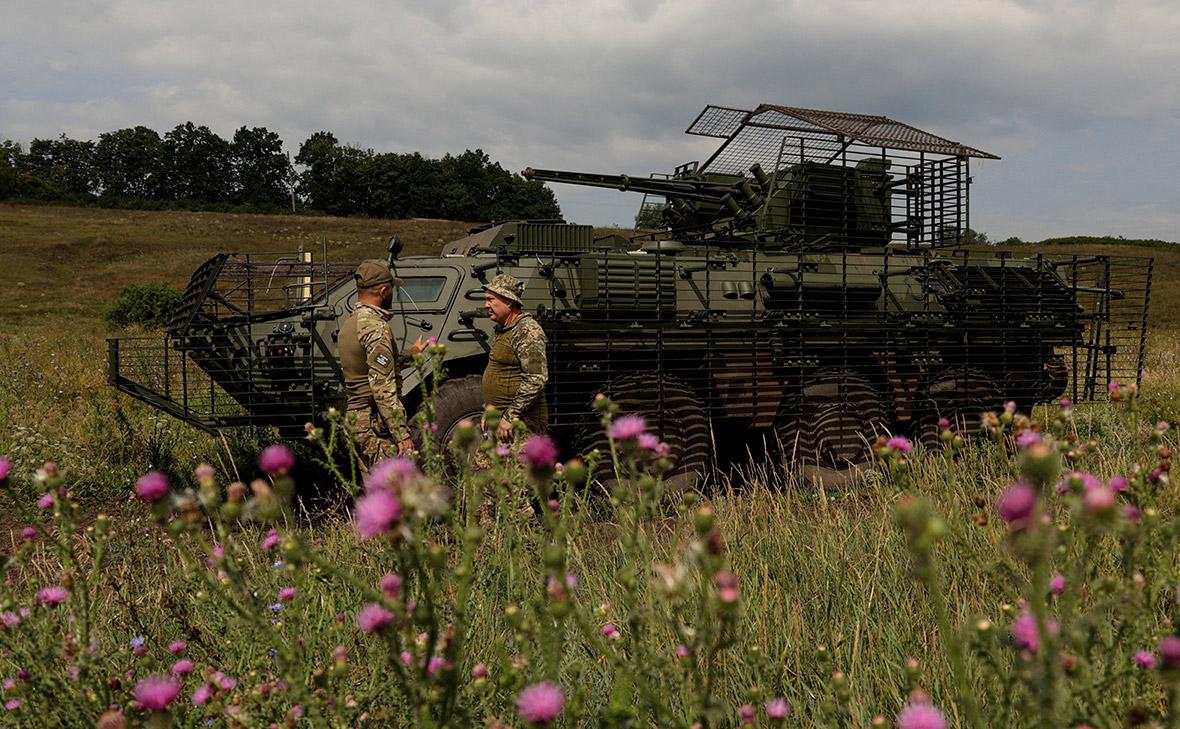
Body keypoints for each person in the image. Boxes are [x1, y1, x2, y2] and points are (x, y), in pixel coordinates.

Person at [338, 260, 425, 472]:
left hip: (357, 420)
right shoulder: (376, 328)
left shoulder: (352, 323)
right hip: (374, 425)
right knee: (393, 493)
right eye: (392, 289)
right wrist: (402, 436)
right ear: (384, 290)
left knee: (375, 491)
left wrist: (412, 354)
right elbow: (383, 389)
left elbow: (371, 366)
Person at [481, 273, 549, 441]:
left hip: (522, 426)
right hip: (501, 421)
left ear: (509, 301)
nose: (486, 305)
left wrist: (510, 416)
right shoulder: (504, 329)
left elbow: (536, 378)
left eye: (491, 299)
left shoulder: (527, 331)